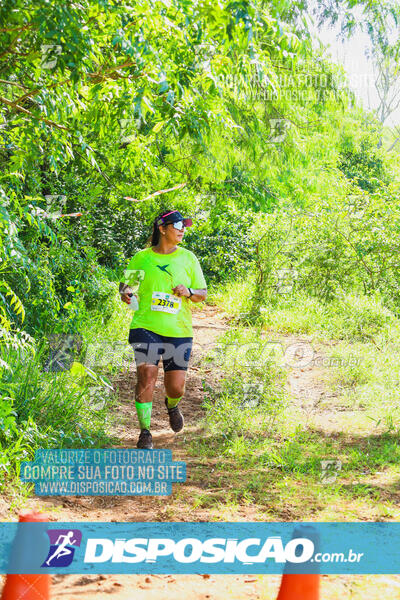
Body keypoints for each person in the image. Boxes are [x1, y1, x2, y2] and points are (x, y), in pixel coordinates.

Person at [119, 209, 207, 449]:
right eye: (177, 224)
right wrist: (126, 293)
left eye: (184, 226)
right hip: (145, 326)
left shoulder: (188, 258)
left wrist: (188, 292)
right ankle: (145, 432)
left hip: (178, 331)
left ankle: (172, 405)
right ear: (162, 228)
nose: (182, 229)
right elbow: (127, 287)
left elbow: (202, 293)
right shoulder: (142, 258)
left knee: (176, 386)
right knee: (146, 375)